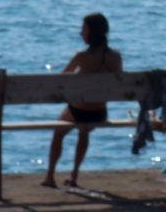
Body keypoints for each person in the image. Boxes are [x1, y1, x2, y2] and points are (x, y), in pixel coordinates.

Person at [41, 12, 122, 188]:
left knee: (58, 132)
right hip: (100, 112)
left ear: (93, 32)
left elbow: (61, 81)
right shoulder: (115, 57)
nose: (81, 33)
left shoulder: (82, 56)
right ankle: (74, 175)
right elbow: (119, 84)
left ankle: (49, 177)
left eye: (84, 29)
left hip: (79, 111)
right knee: (83, 132)